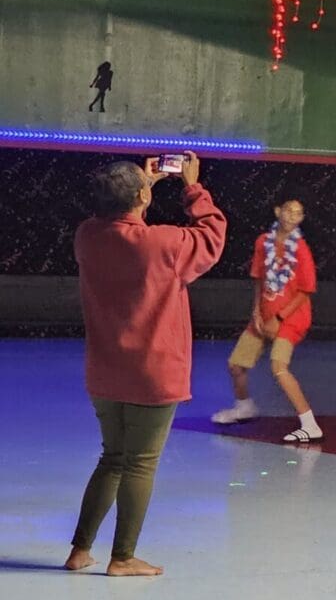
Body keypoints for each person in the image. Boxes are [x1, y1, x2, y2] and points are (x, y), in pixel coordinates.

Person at [67, 152, 226, 577]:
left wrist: (141, 189)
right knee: (139, 463)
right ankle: (123, 557)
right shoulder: (164, 244)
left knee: (112, 458)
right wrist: (193, 187)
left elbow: (116, 219)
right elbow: (211, 237)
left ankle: (80, 550)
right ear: (141, 196)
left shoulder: (87, 236)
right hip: (152, 374)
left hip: (104, 371)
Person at [211, 191, 322, 443]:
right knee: (236, 365)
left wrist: (279, 318)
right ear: (277, 212)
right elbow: (259, 279)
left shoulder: (301, 250)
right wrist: (256, 312)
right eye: (288, 210)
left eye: (298, 213)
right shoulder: (264, 242)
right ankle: (244, 406)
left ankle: (309, 424)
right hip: (263, 315)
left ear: (302, 218)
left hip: (291, 318)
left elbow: (305, 291)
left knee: (278, 367)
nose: (292, 216)